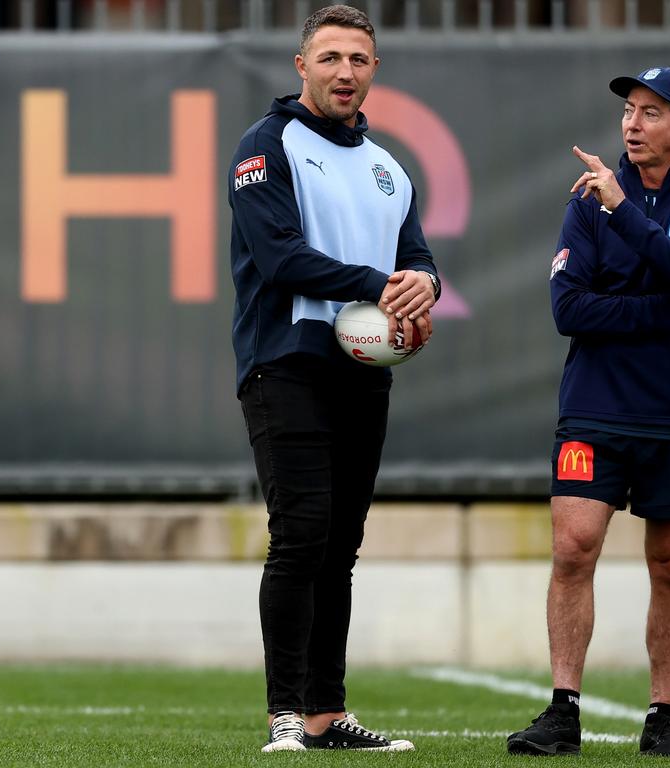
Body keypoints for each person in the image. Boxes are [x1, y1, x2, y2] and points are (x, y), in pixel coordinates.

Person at [507, 67, 670, 758]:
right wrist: (664, 312)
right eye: (629, 111)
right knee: (573, 548)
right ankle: (563, 710)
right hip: (595, 409)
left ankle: (661, 717)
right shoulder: (587, 202)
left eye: (651, 113)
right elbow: (568, 309)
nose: (632, 124)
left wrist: (626, 213)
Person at [227, 4, 439, 754]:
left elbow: (419, 260)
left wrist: (423, 292)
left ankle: (326, 713)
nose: (345, 72)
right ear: (302, 67)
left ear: (374, 70)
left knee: (341, 545)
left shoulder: (389, 169)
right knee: (302, 535)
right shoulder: (267, 145)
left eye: (358, 60)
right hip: (285, 364)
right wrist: (383, 285)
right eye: (330, 58)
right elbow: (281, 258)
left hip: (363, 374)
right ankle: (286, 711)